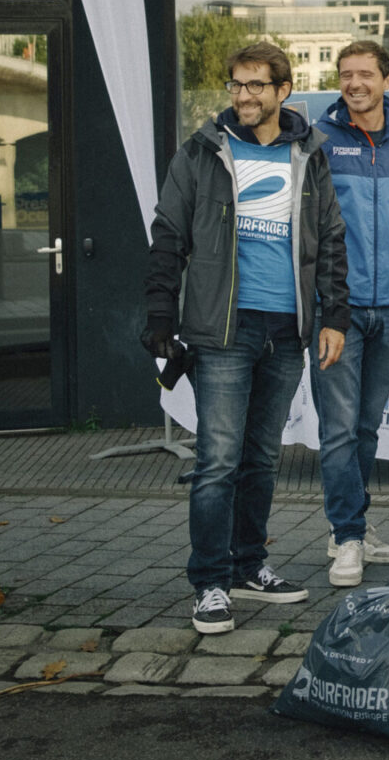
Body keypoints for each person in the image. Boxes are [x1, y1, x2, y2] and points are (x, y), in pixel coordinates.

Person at [143, 41, 348, 635]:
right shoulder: (203, 150)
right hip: (223, 328)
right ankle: (209, 581)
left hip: (287, 329)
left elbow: (330, 238)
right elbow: (167, 234)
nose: (244, 95)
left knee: (262, 458)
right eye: (236, 84)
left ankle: (248, 566)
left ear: (284, 90)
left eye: (257, 85)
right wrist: (159, 315)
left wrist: (333, 315)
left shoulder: (308, 150)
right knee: (217, 460)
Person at [316, 40, 389, 587]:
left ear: (386, 79)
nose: (354, 83)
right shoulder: (319, 141)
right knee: (338, 428)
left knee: (367, 426)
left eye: (364, 74)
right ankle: (349, 536)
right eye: (345, 75)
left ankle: (347, 526)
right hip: (337, 310)